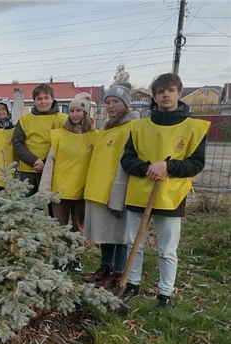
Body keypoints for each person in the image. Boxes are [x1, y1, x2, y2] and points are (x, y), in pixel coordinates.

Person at [120, 74, 210, 308]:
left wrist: (168, 166)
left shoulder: (194, 128)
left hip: (171, 196)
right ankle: (132, 283)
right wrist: (148, 168)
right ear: (154, 96)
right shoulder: (138, 127)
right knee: (133, 244)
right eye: (160, 92)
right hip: (139, 192)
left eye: (170, 90)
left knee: (167, 249)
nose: (166, 95)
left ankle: (165, 293)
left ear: (179, 93)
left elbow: (196, 163)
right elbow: (127, 160)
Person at [81, 83, 140, 288]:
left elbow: (125, 160)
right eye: (107, 102)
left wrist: (119, 191)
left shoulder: (131, 127)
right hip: (99, 188)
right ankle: (105, 266)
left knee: (119, 235)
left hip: (116, 189)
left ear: (125, 104)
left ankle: (117, 273)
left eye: (115, 102)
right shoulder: (106, 127)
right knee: (105, 234)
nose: (111, 106)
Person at [39, 93, 97, 272]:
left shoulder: (95, 137)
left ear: (85, 112)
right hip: (61, 188)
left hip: (82, 189)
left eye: (78, 110)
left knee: (78, 226)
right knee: (59, 226)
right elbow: (50, 162)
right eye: (71, 110)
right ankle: (61, 258)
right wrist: (45, 188)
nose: (74, 114)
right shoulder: (59, 136)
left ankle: (75, 257)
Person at [13, 84, 68, 216]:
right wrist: (34, 161)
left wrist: (46, 163)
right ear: (34, 101)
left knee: (55, 211)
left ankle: (55, 235)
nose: (43, 102)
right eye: (39, 99)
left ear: (52, 98)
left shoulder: (63, 119)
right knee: (27, 210)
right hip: (28, 171)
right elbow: (18, 144)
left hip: (52, 172)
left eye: (46, 98)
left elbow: (65, 145)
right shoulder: (25, 119)